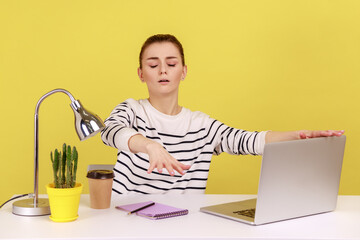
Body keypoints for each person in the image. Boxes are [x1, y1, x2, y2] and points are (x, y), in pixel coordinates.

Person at [101, 34, 344, 194]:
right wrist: (149, 146)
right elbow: (110, 131)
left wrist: (301, 135)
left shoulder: (202, 125)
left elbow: (249, 141)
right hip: (127, 218)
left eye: (171, 64)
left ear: (183, 72)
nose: (162, 70)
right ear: (141, 74)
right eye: (153, 65)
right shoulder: (132, 109)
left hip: (183, 223)